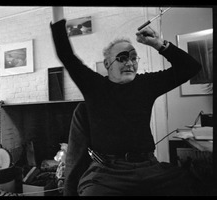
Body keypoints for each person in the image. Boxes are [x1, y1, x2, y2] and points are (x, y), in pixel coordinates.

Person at [50, 7, 202, 196]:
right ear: (107, 65)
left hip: (149, 168)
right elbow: (66, 54)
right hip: (107, 173)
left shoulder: (146, 84)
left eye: (133, 58)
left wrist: (158, 44)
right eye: (122, 58)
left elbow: (191, 67)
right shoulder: (94, 86)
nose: (129, 63)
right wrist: (57, 11)